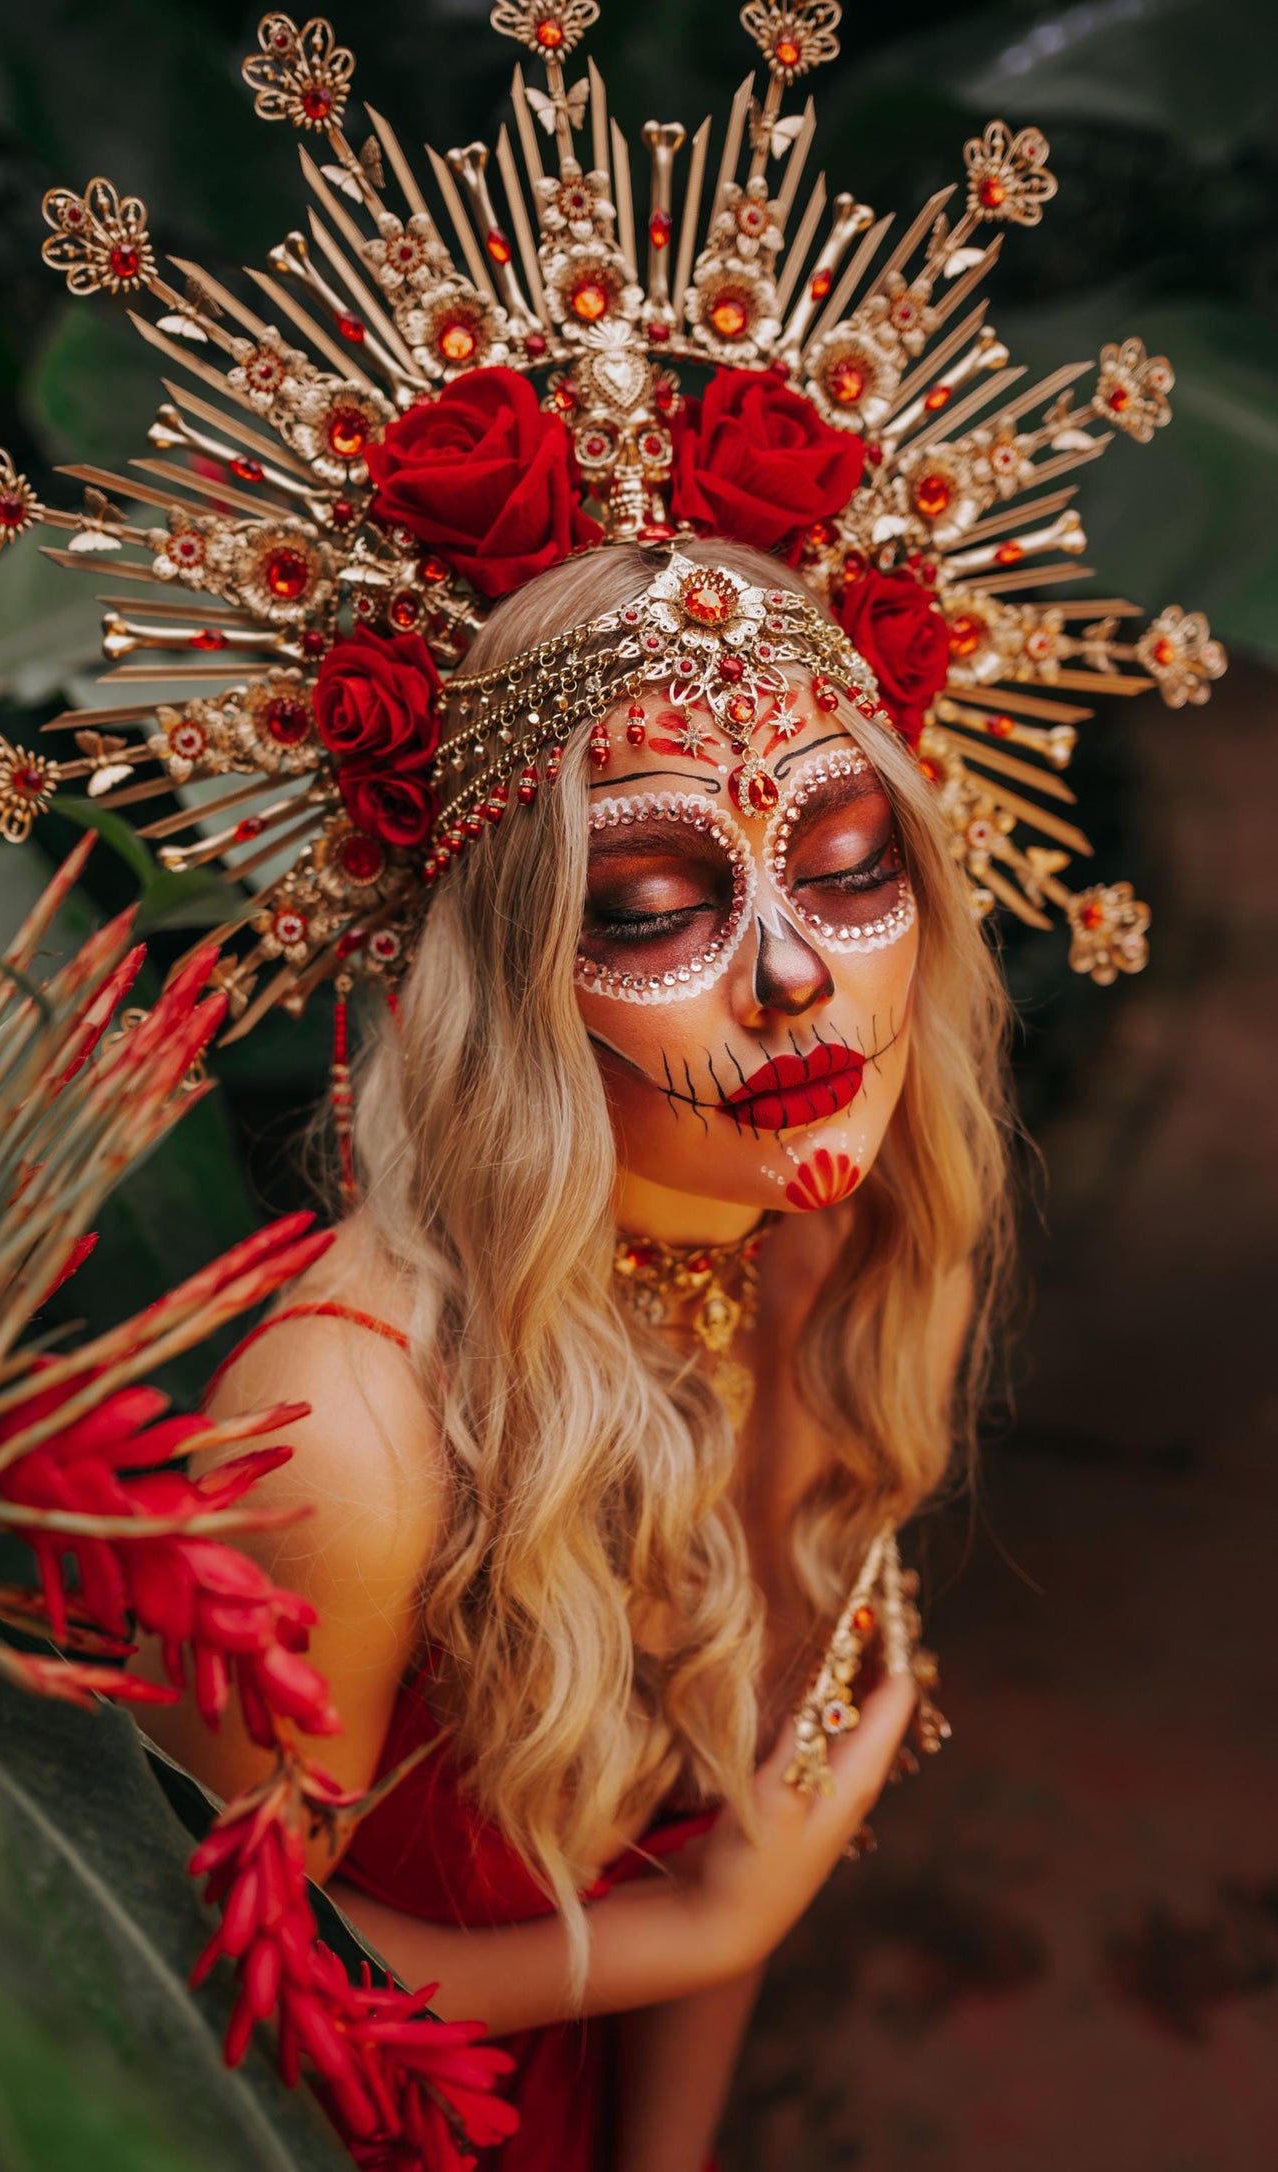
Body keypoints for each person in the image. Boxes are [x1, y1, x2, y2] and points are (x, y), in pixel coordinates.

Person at [142, 534, 1012, 2172]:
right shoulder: (345, 1436)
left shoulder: (829, 1262)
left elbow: (718, 1797)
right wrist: (701, 1933)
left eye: (840, 865)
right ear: (508, 970)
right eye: (653, 905)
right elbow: (187, 1970)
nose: (790, 974)